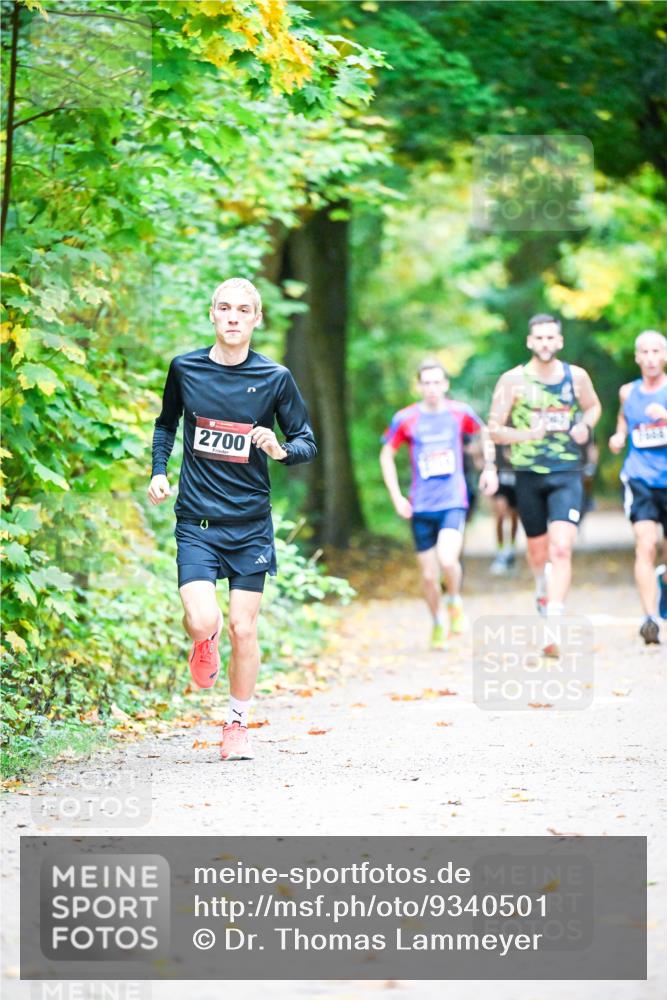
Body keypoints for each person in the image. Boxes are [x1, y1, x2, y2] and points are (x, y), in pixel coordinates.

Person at [148, 277, 316, 760]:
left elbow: (306, 440)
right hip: (197, 520)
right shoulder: (186, 369)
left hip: (249, 525)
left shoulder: (275, 378)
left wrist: (279, 449)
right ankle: (205, 640)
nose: (234, 317)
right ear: (212, 314)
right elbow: (166, 425)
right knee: (203, 620)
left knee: (246, 628)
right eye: (225, 308)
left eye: (244, 310)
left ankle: (236, 724)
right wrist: (159, 471)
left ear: (257, 319)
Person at [488, 314, 601, 656]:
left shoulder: (575, 377)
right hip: (527, 475)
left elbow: (593, 407)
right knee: (538, 552)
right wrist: (528, 434)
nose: (545, 344)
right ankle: (542, 588)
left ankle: (554, 619)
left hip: (567, 471)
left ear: (560, 342)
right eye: (539, 338)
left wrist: (585, 425)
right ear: (529, 342)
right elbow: (494, 429)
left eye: (551, 338)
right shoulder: (512, 381)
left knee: (562, 547)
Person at [380, 360, 498, 650]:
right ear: (419, 386)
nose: (432, 389)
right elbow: (386, 456)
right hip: (420, 506)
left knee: (448, 559)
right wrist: (396, 496)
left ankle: (455, 599)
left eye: (437, 382)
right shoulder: (406, 419)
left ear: (445, 385)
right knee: (429, 576)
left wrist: (490, 468)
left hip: (452, 501)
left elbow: (485, 433)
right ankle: (436, 621)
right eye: (427, 383)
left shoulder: (459, 413)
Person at [609, 329, 667, 645]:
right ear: (636, 358)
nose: (650, 358)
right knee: (645, 544)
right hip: (640, 477)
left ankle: (663, 588)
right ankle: (650, 619)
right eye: (644, 352)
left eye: (656, 351)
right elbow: (624, 421)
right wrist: (619, 437)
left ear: (665, 356)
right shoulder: (627, 392)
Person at [489, 445, 519, 575]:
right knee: (500, 514)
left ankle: (511, 549)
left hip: (516, 483)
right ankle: (500, 551)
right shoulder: (498, 443)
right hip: (501, 484)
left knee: (514, 517)